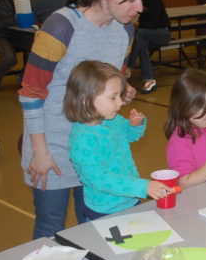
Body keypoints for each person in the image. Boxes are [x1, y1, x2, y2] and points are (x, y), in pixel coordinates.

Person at [19, 0, 147, 239]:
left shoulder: (125, 30)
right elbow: (31, 93)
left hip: (97, 146)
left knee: (92, 228)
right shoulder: (60, 26)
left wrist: (122, 90)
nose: (139, 7)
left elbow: (113, 77)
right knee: (51, 229)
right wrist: (40, 152)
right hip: (53, 146)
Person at [65, 61, 170, 219]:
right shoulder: (82, 139)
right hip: (105, 210)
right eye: (113, 97)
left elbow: (130, 135)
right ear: (86, 99)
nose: (120, 102)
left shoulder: (112, 119)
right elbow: (100, 179)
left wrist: (135, 125)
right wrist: (143, 187)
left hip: (130, 198)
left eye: (119, 96)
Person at [127, 0, 171, 94]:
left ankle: (129, 67)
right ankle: (149, 79)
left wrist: (138, 25)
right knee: (142, 43)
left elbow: (154, 23)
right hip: (147, 35)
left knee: (140, 34)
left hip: (163, 33)